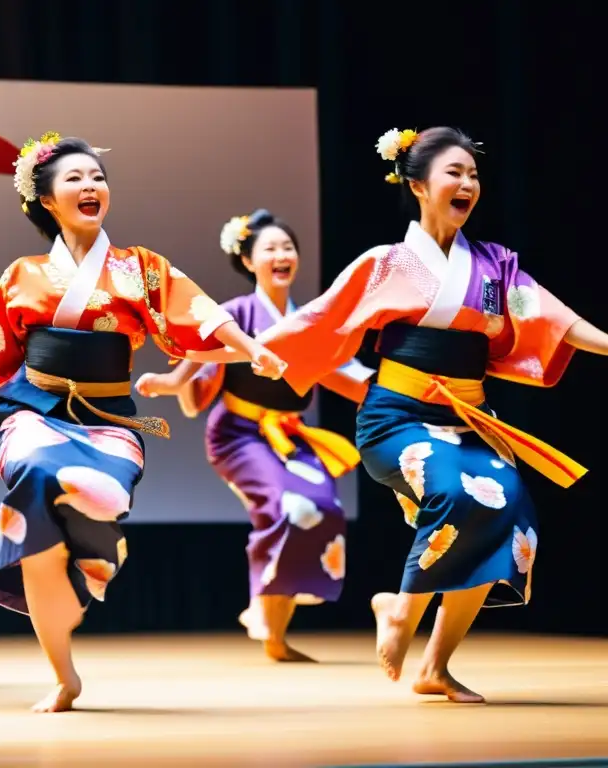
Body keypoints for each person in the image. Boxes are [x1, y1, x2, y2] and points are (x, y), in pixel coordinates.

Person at [250, 126, 608, 702]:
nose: (468, 183)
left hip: (470, 417)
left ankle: (435, 666)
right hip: (396, 417)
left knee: (506, 509)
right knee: (464, 494)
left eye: (474, 174)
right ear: (417, 184)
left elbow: (549, 317)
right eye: (454, 173)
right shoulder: (386, 264)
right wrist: (254, 351)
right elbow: (321, 319)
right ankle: (399, 609)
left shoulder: (496, 270)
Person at [0, 132, 286, 713]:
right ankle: (63, 674)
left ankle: (83, 565)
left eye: (98, 177)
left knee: (97, 498)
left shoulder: (142, 268)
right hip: (32, 411)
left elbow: (197, 313)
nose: (90, 186)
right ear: (47, 200)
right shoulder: (23, 274)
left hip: (108, 420)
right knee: (35, 472)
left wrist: (250, 348)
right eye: (75, 179)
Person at [135, 208, 374, 661]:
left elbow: (341, 371)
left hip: (290, 434)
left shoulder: (308, 318)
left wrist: (387, 392)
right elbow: (201, 352)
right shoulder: (236, 313)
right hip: (238, 435)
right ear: (248, 261)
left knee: (323, 507)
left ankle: (276, 635)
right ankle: (266, 619)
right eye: (270, 249)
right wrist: (171, 383)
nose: (281, 255)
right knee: (287, 506)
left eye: (288, 248)